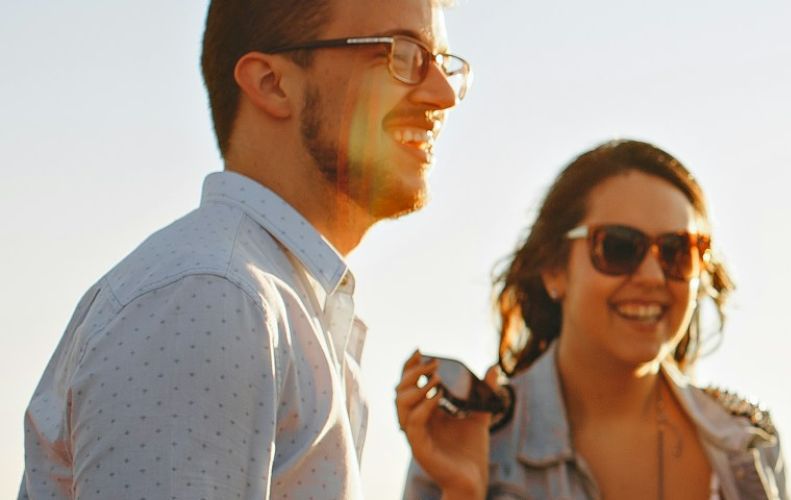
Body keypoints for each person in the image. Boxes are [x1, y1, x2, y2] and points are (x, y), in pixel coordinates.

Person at [21, 0, 467, 497]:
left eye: (445, 63)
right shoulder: (212, 298)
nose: (444, 94)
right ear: (272, 83)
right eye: (402, 54)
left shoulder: (273, 303)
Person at [396, 140, 788, 500]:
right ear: (553, 268)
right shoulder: (474, 441)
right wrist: (463, 490)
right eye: (619, 247)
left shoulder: (747, 443)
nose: (652, 276)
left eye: (677, 251)